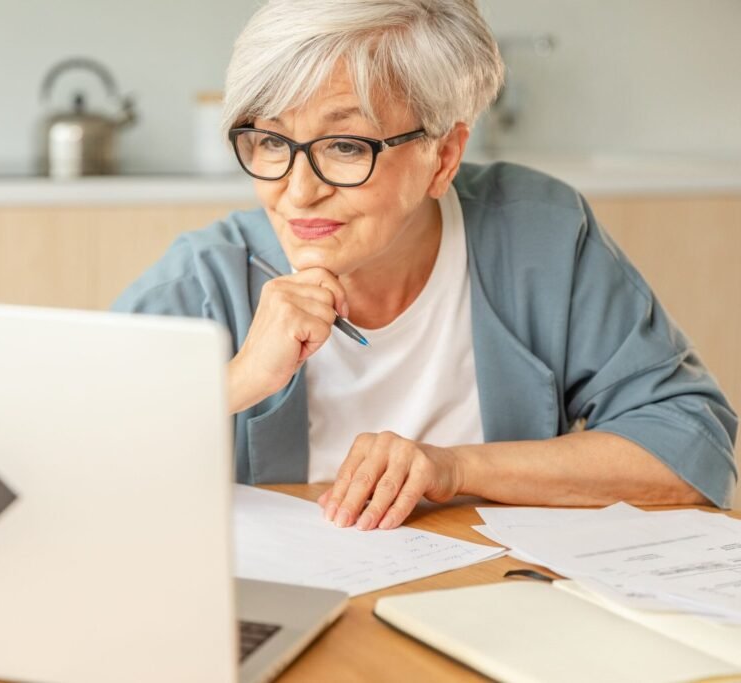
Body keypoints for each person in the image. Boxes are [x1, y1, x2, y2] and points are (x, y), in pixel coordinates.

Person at [113, 0, 738, 528]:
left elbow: (690, 445)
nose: (298, 191)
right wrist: (240, 379)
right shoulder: (204, 279)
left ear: (444, 156)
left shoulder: (538, 236)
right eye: (272, 141)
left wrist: (453, 467)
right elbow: (55, 459)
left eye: (344, 145)